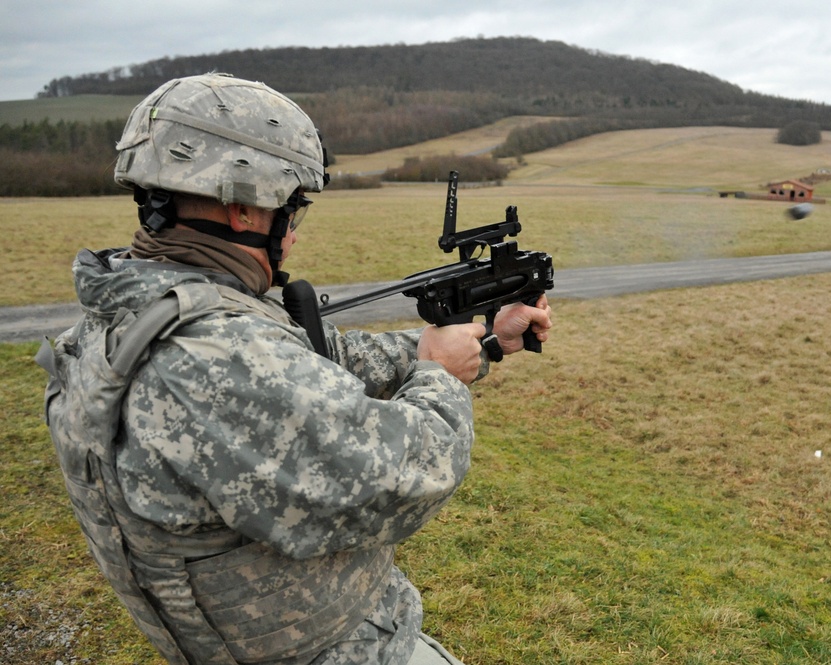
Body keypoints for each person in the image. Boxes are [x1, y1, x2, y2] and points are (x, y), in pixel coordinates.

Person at [38, 73, 552, 665]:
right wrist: (439, 375)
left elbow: (312, 362)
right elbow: (407, 477)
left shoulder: (138, 310)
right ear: (242, 210)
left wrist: (482, 339)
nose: (295, 234)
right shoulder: (210, 359)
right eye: (293, 209)